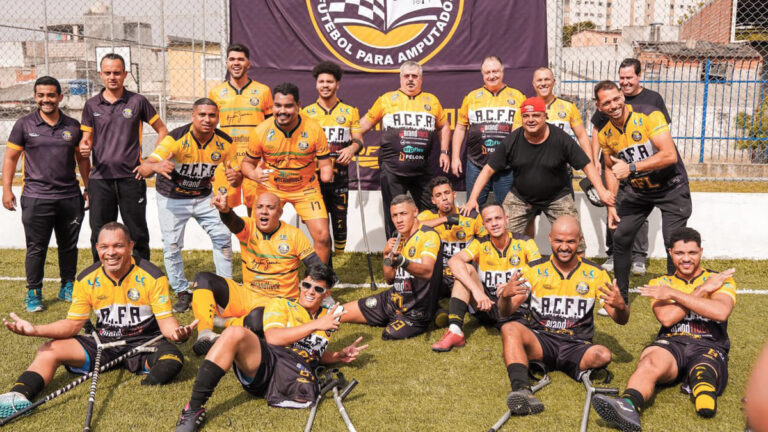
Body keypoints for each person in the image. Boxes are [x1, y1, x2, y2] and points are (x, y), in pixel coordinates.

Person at [0, 222, 197, 418]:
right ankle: (18, 396)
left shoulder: (152, 276)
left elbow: (166, 323)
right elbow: (72, 325)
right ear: (97, 249)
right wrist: (35, 329)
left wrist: (178, 334)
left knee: (171, 362)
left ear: (130, 246)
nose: (111, 253)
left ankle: (140, 367)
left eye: (118, 246)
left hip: (144, 342)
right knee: (48, 350)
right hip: (104, 342)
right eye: (104, 247)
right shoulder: (86, 278)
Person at [174, 264, 368, 432]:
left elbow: (312, 352)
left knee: (237, 335)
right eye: (306, 285)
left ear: (327, 294)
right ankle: (194, 408)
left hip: (295, 374)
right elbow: (273, 338)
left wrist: (338, 355)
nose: (309, 292)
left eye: (317, 289)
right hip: (269, 364)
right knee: (235, 333)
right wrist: (316, 325)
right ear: (300, 285)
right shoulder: (281, 304)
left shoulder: (327, 317)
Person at [592, 227, 736, 431]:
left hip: (708, 344)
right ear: (670, 253)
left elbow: (721, 312)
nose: (686, 259)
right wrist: (702, 290)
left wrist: (673, 295)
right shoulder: (660, 283)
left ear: (701, 252)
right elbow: (668, 319)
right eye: (679, 253)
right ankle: (628, 404)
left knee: (703, 378)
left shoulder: (720, 280)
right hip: (671, 344)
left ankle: (703, 393)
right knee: (650, 362)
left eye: (692, 253)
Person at [497, 215, 629, 415]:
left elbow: (621, 320)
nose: (564, 247)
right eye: (559, 240)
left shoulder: (596, 273)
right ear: (550, 238)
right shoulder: (534, 269)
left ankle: (563, 365)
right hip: (542, 340)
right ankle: (522, 390)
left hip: (576, 344)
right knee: (509, 328)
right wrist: (505, 297)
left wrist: (621, 307)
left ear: (580, 239)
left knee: (603, 354)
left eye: (570, 241)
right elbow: (505, 312)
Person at [461, 97, 614, 255]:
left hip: (557, 196)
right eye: (526, 116)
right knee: (503, 237)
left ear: (545, 116)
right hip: (521, 197)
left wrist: (601, 190)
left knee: (574, 240)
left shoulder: (561, 138)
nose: (531, 120)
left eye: (535, 115)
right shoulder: (512, 140)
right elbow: (487, 170)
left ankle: (577, 275)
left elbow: (586, 165)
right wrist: (473, 199)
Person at [135, 98, 239, 314]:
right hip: (172, 198)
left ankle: (226, 289)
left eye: (212, 115)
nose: (207, 120)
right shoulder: (176, 139)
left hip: (204, 198)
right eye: (202, 115)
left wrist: (235, 176)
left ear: (218, 118)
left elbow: (236, 177)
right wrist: (155, 165)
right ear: (193, 116)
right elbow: (143, 169)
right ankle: (182, 292)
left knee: (223, 237)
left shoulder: (226, 142)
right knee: (172, 246)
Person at [189, 192, 325, 356]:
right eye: (259, 207)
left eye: (270, 207)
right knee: (203, 279)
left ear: (280, 212)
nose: (264, 212)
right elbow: (234, 223)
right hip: (247, 295)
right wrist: (225, 211)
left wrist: (316, 300)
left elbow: (316, 267)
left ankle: (226, 322)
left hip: (278, 303)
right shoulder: (248, 226)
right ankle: (204, 334)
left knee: (256, 321)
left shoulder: (294, 235)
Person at [594, 80, 691, 304]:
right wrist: (611, 205)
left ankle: (675, 299)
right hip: (639, 192)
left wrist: (632, 167)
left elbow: (669, 155)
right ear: (599, 107)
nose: (614, 105)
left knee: (673, 242)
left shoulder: (650, 115)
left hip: (671, 187)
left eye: (616, 98)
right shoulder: (605, 133)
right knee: (621, 236)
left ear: (622, 95)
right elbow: (610, 168)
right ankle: (621, 298)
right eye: (607, 102)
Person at [2, 76, 90, 312]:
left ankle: (67, 286)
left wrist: (88, 187)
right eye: (41, 95)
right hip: (36, 197)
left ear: (60, 97)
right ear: (35, 97)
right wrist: (7, 189)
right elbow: (10, 158)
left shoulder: (73, 126)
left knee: (68, 246)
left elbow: (82, 159)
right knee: (36, 247)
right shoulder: (23, 125)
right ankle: (33, 293)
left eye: (51, 95)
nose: (46, 100)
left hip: (69, 197)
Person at [79, 53, 168, 262]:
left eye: (117, 73)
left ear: (125, 74)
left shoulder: (138, 101)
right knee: (100, 234)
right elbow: (86, 139)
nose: (112, 77)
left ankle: (141, 275)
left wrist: (151, 161)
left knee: (136, 232)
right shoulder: (91, 105)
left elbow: (163, 131)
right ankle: (101, 278)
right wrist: (85, 147)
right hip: (100, 180)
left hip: (131, 179)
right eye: (108, 73)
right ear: (100, 74)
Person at [592, 58, 672, 276]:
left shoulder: (652, 100)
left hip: (647, 170)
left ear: (639, 76)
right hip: (617, 167)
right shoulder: (608, 100)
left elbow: (662, 138)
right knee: (615, 208)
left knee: (640, 213)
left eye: (629, 77)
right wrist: (594, 162)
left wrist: (638, 165)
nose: (626, 82)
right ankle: (615, 253)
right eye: (622, 78)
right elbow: (597, 134)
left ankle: (638, 257)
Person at [241, 82, 333, 264]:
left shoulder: (314, 129)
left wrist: (326, 172)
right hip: (271, 187)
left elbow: (325, 163)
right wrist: (253, 175)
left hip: (306, 188)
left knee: (323, 237)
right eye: (278, 106)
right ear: (272, 106)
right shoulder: (261, 131)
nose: (282, 111)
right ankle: (262, 276)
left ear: (298, 106)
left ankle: (319, 283)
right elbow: (246, 164)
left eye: (288, 106)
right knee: (257, 234)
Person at [359, 61, 451, 238]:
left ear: (421, 79)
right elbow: (365, 123)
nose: (410, 80)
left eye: (414, 76)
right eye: (406, 76)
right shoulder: (386, 99)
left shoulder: (431, 101)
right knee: (396, 213)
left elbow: (444, 126)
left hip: (423, 170)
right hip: (393, 169)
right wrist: (352, 137)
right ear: (400, 78)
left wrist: (444, 152)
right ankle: (395, 257)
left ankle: (426, 252)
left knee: (430, 212)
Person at [431, 203, 540, 352]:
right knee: (465, 270)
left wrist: (510, 289)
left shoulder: (525, 242)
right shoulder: (480, 243)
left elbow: (538, 272)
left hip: (515, 306)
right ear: (483, 225)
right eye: (489, 220)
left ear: (506, 219)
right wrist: (477, 291)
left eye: (498, 218)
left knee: (519, 290)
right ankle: (455, 330)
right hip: (486, 305)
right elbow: (453, 261)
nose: (494, 223)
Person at [341, 194, 443, 340]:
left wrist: (402, 261)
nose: (398, 220)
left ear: (415, 212)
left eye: (403, 214)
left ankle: (436, 312)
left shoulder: (428, 235)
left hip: (415, 312)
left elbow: (427, 272)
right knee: (339, 312)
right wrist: (385, 254)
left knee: (389, 334)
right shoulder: (398, 237)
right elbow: (389, 279)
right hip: (390, 301)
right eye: (394, 215)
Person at [302, 61, 363, 254]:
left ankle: (335, 256)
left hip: (340, 178)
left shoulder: (350, 111)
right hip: (314, 179)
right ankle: (324, 268)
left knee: (339, 225)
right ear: (316, 84)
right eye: (321, 81)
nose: (325, 85)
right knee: (320, 227)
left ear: (337, 84)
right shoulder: (306, 113)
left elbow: (359, 141)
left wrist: (352, 148)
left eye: (330, 81)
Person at [451, 55, 524, 206]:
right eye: (487, 72)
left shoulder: (518, 97)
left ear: (502, 71)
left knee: (507, 210)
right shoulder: (471, 97)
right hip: (477, 162)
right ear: (482, 74)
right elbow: (460, 127)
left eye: (495, 71)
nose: (492, 76)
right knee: (472, 207)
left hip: (507, 164)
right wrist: (455, 157)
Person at [209, 44, 273, 214]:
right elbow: (210, 130)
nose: (236, 63)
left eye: (240, 59)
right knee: (224, 209)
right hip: (227, 162)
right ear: (226, 63)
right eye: (232, 59)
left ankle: (253, 242)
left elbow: (271, 129)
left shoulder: (263, 91)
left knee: (257, 211)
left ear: (248, 64)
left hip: (255, 161)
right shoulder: (216, 92)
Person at [417, 176, 485, 299]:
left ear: (454, 194)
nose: (444, 198)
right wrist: (445, 219)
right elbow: (413, 227)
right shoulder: (428, 216)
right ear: (433, 200)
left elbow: (486, 241)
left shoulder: (471, 216)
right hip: (438, 278)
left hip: (464, 274)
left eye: (447, 193)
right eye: (438, 195)